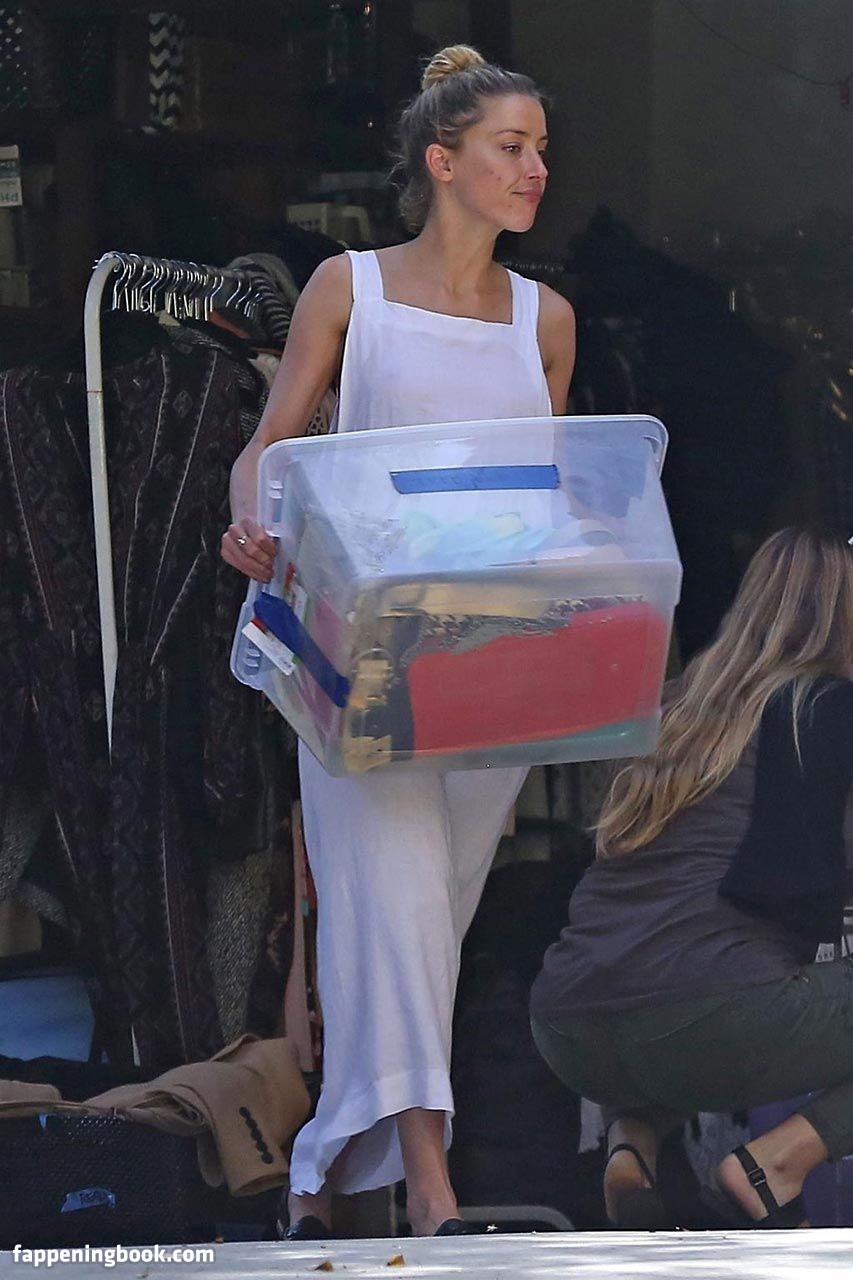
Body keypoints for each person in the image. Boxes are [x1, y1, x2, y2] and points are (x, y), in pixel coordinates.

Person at [221, 45, 576, 1238]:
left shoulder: (546, 320)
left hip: (491, 668)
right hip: (359, 654)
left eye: (540, 149)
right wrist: (251, 519)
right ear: (443, 161)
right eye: (510, 147)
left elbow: (546, 496)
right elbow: (271, 446)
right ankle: (430, 1183)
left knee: (423, 921)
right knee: (396, 899)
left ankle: (325, 1164)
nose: (535, 169)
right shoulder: (349, 289)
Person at [530, 526, 853, 1230]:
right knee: (702, 1000)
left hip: (571, 1027)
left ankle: (632, 1145)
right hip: (704, 1017)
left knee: (674, 991)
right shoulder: (824, 712)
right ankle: (776, 1164)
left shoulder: (679, 708)